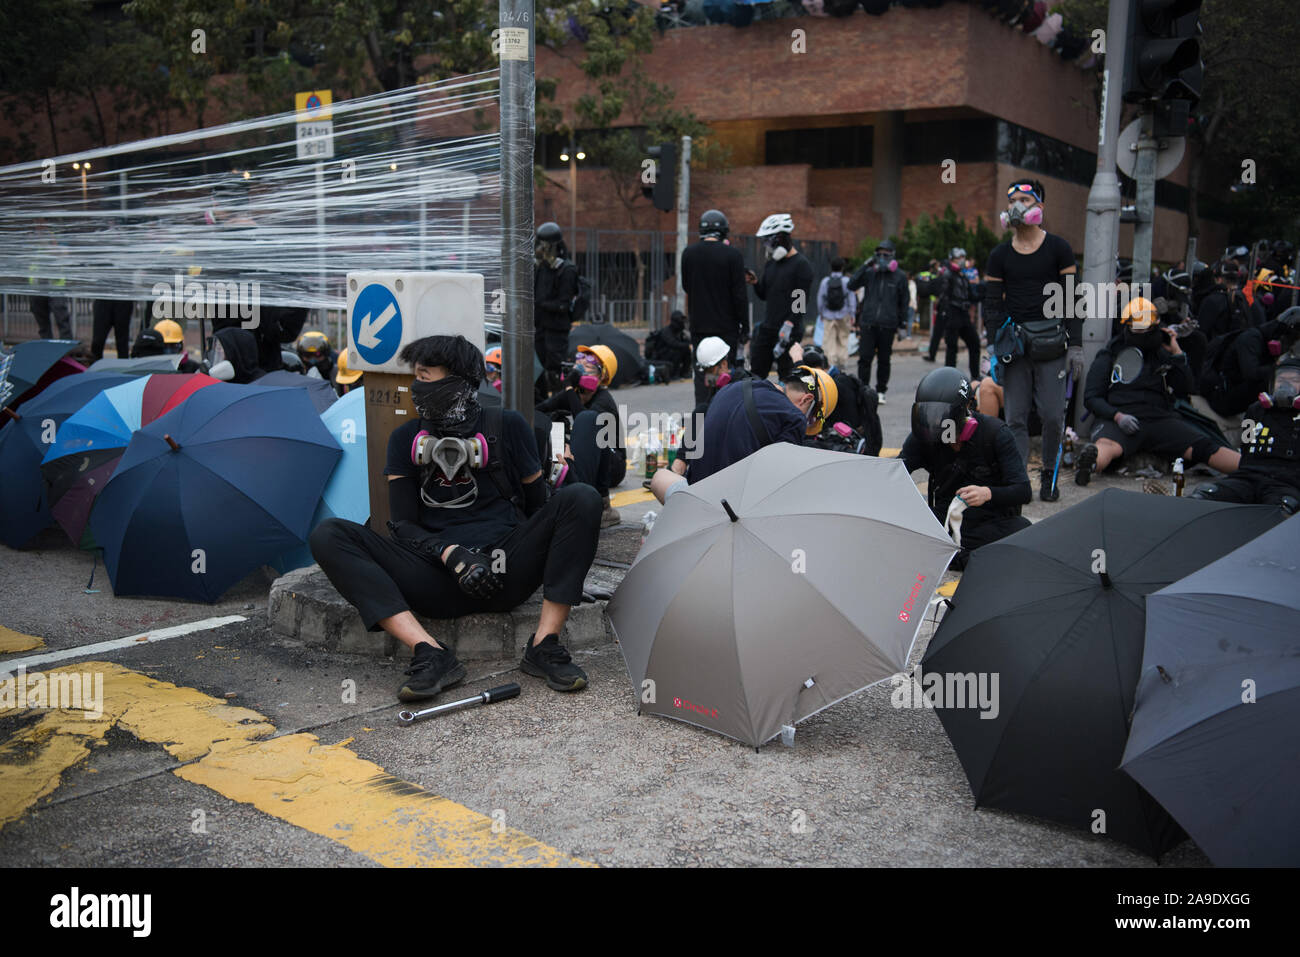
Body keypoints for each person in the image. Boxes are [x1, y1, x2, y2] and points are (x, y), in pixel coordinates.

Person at [310, 335, 602, 702]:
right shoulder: (405, 439)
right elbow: (402, 525)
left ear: (460, 383)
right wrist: (453, 554)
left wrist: (564, 565)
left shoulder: (508, 426)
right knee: (329, 534)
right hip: (436, 577)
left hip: (504, 568)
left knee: (583, 499)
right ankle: (429, 652)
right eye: (416, 377)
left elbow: (538, 509)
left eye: (426, 378)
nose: (417, 388)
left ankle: (545, 644)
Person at [1076, 298, 1241, 486]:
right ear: (1127, 326)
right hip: (1120, 417)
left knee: (1202, 447)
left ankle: (1250, 468)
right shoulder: (1111, 353)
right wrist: (1117, 416)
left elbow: (1185, 388)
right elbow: (1091, 397)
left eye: (1148, 327)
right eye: (1138, 327)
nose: (1144, 332)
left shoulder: (1162, 352)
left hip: (1159, 418)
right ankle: (1089, 464)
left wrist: (1177, 353)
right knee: (1108, 446)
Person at [983, 178, 1078, 502]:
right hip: (1015, 347)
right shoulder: (999, 255)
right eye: (1012, 201)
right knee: (1015, 418)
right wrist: (993, 345)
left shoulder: (1059, 248)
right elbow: (993, 303)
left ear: (1040, 207)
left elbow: (1071, 299)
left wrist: (1075, 345)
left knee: (1052, 415)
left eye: (1025, 200)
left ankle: (1049, 475)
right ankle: (1019, 480)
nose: (1016, 207)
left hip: (1052, 346)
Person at [902, 367, 1031, 571]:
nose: (937, 422)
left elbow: (1023, 491)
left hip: (987, 521)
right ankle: (964, 557)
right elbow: (896, 472)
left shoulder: (995, 434)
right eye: (930, 414)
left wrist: (987, 493)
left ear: (967, 409)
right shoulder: (926, 435)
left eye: (943, 414)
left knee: (1023, 529)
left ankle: (953, 556)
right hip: (943, 522)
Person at [652, 361, 829, 501]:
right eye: (812, 418)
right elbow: (779, 481)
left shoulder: (732, 387)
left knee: (660, 477)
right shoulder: (794, 418)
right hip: (731, 512)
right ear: (807, 399)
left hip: (692, 500)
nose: (807, 422)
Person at [1191, 356, 1300, 513]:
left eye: (1295, 379)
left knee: (1280, 512)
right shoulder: (1256, 411)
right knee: (1205, 495)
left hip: (1287, 484)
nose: (1286, 384)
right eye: (1281, 379)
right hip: (1249, 478)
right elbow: (1246, 452)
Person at [538, 344, 625, 528]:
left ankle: (602, 507)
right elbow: (542, 408)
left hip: (612, 463)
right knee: (555, 425)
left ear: (601, 376)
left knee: (588, 420)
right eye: (577, 364)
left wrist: (569, 389)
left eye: (586, 367)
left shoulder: (604, 401)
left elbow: (586, 425)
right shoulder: (576, 392)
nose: (578, 369)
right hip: (591, 457)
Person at [681, 209, 750, 406]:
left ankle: (704, 410)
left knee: (704, 372)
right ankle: (725, 409)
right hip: (726, 326)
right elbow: (740, 295)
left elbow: (686, 286)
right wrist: (745, 328)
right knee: (725, 373)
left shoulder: (689, 254)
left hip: (700, 326)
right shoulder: (732, 255)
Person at [748, 213, 815, 381]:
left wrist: (790, 323)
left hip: (788, 331)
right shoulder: (772, 264)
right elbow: (764, 295)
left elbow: (799, 302)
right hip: (768, 327)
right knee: (755, 374)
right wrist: (755, 283)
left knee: (787, 377)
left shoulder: (801, 265)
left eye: (768, 241)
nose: (767, 246)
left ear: (780, 238)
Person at [1201, 307, 1300, 417]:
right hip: (1223, 397)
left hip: (1236, 392)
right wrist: (1278, 368)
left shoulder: (1266, 339)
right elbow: (1251, 373)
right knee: (1273, 383)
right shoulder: (1251, 339)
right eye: (1294, 339)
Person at [848, 239, 908, 404]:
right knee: (865, 358)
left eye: (886, 254)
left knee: (884, 359)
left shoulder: (900, 276)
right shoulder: (870, 273)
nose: (882, 257)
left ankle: (881, 391)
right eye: (879, 254)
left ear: (892, 256)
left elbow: (904, 302)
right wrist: (865, 265)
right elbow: (851, 285)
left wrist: (903, 325)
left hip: (888, 325)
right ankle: (863, 389)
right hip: (868, 322)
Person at [533, 222, 579, 400]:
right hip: (541, 327)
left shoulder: (566, 270)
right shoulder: (540, 268)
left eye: (545, 246)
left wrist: (541, 304)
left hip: (556, 329)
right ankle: (543, 403)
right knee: (538, 367)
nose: (541, 250)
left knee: (554, 369)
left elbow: (564, 304)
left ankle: (559, 404)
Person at [936, 247, 981, 382]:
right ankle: (949, 379)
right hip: (952, 313)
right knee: (952, 348)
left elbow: (972, 295)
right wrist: (946, 313)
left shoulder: (963, 275)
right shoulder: (947, 275)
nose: (961, 260)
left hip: (963, 314)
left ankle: (975, 376)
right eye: (958, 258)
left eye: (963, 258)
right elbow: (943, 296)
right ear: (951, 260)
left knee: (974, 343)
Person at [817, 257, 855, 372]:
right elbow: (851, 299)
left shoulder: (825, 281)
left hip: (828, 315)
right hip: (843, 315)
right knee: (843, 339)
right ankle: (842, 362)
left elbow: (820, 299)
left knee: (829, 340)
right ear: (842, 268)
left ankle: (830, 362)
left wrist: (821, 313)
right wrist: (852, 314)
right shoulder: (846, 281)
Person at [644, 310, 693, 381]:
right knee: (677, 351)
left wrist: (689, 344)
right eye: (680, 321)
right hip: (660, 356)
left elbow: (684, 342)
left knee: (686, 350)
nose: (682, 323)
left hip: (669, 354)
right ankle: (674, 374)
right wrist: (688, 345)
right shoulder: (666, 331)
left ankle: (684, 372)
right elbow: (673, 344)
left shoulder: (679, 331)